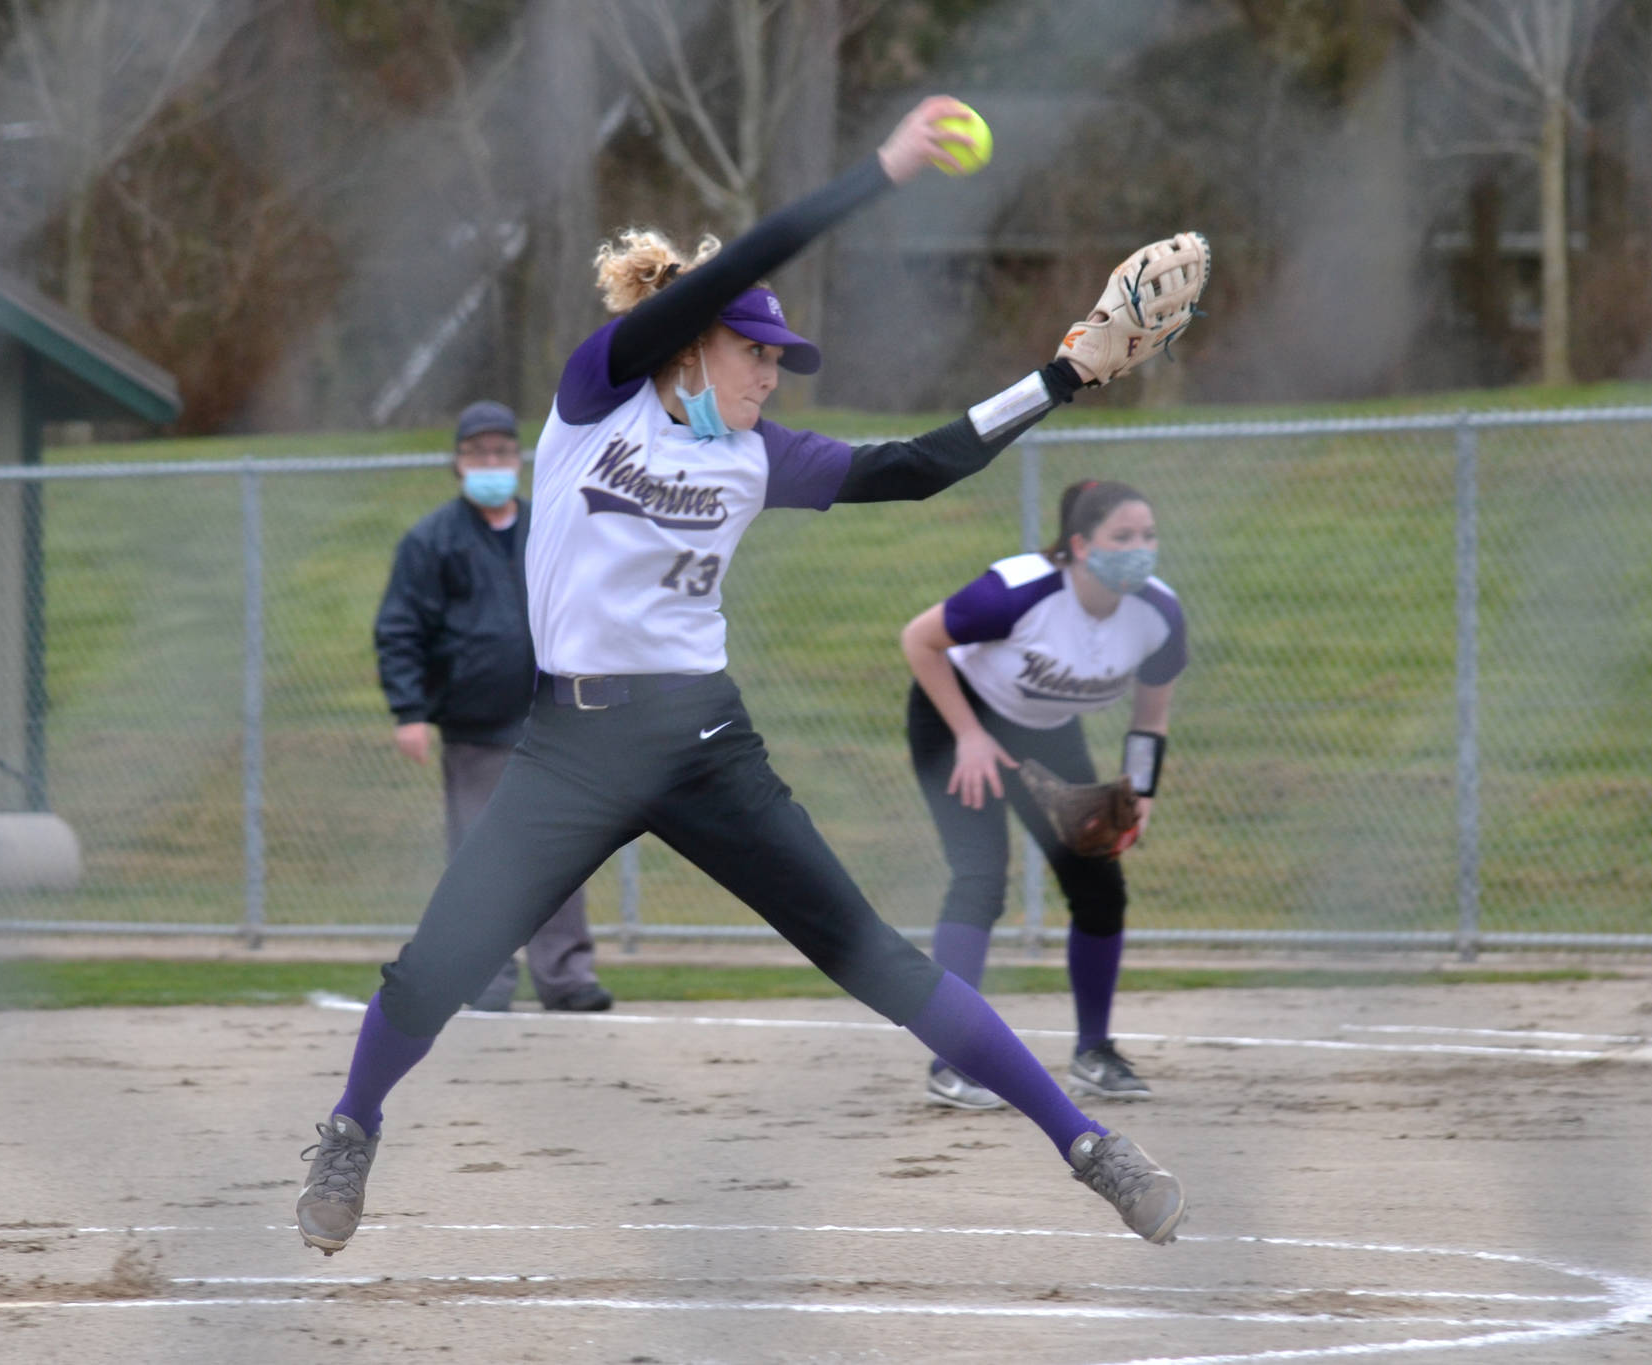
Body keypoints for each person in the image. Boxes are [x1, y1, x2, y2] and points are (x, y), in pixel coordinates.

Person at [294, 94, 1207, 1256]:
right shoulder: (597, 400)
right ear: (692, 340)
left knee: (872, 954)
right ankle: (350, 1126)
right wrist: (878, 170)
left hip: (701, 743)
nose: (774, 374)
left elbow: (913, 468)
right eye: (756, 350)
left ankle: (1089, 1148)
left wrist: (1062, 373)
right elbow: (761, 252)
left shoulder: (758, 454)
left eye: (781, 359)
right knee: (435, 966)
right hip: (570, 744)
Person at [901, 478, 1185, 1111]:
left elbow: (1151, 718)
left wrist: (1141, 792)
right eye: (1123, 537)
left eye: (1148, 536)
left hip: (1047, 734)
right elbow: (919, 639)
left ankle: (1094, 1053)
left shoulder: (1158, 614)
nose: (1140, 549)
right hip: (958, 720)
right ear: (1080, 546)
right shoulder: (1019, 592)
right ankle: (952, 1061)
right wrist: (969, 736)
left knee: (1098, 884)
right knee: (980, 876)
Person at [373, 400, 613, 1014]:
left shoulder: (550, 529)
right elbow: (401, 630)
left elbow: (590, 613)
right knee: (483, 856)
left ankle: (566, 978)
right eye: (477, 453)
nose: (491, 462)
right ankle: (485, 979)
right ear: (457, 464)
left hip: (554, 723)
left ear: (519, 459)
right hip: (475, 728)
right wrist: (410, 712)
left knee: (561, 852)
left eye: (502, 451)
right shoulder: (432, 541)